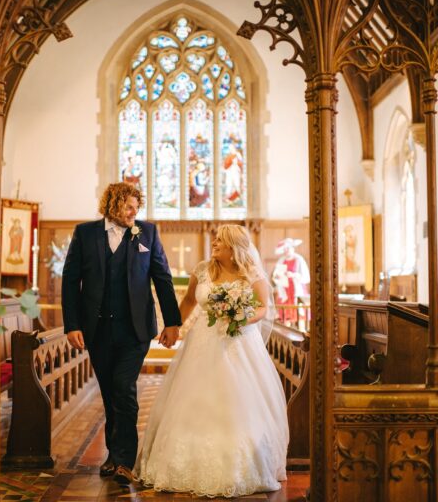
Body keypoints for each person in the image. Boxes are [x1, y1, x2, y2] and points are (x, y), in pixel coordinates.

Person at [135, 224, 288, 498]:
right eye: (215, 238)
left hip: (239, 343)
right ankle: (183, 462)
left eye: (220, 240)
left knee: (237, 400)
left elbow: (263, 307)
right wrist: (174, 328)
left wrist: (241, 317)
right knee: (193, 398)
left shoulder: (251, 271)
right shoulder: (203, 269)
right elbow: (189, 303)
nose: (214, 242)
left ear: (234, 246)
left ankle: (241, 464)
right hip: (202, 343)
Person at [61, 182, 181, 485]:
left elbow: (162, 278)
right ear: (113, 205)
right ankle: (114, 457)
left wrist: (173, 321)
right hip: (97, 330)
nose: (134, 212)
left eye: (136, 207)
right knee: (110, 392)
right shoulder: (85, 233)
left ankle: (126, 461)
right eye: (128, 206)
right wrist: (72, 325)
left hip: (135, 330)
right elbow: (70, 280)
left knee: (122, 387)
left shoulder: (147, 233)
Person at [272, 238, 310, 326]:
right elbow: (276, 274)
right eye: (284, 249)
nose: (286, 251)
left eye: (288, 248)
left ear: (292, 248)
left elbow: (305, 276)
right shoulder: (282, 260)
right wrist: (278, 276)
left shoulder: (299, 259)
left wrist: (293, 275)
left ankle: (301, 332)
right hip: (285, 290)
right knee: (286, 315)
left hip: (296, 290)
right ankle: (287, 333)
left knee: (299, 313)